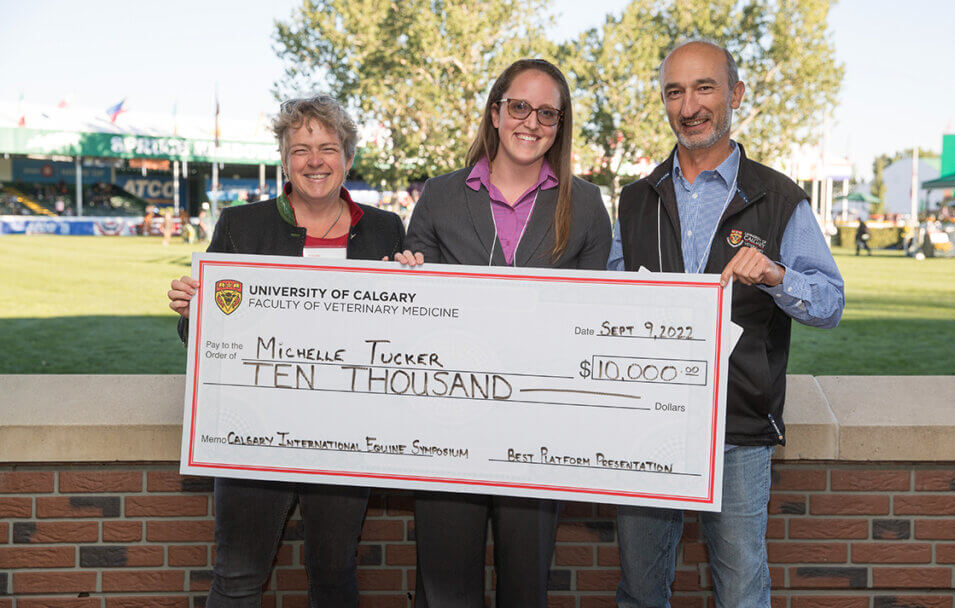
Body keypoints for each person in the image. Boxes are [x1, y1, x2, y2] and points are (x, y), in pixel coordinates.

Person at [608, 41, 844, 608]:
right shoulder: (635, 199)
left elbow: (830, 303)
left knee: (740, 592)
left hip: (737, 429)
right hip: (649, 425)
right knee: (640, 592)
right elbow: (608, 300)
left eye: (704, 87)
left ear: (735, 94)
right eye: (675, 91)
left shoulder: (779, 196)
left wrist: (775, 275)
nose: (689, 105)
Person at [166, 95, 405, 607]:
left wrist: (416, 285)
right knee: (237, 577)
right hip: (252, 433)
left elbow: (404, 336)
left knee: (335, 575)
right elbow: (208, 344)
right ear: (284, 159)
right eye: (300, 149)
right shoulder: (240, 225)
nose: (314, 160)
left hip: (346, 434)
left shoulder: (385, 230)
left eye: (327, 147)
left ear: (348, 157)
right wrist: (193, 315)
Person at [394, 58, 612, 607]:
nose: (531, 122)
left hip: (538, 429)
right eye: (519, 107)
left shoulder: (584, 205)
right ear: (495, 112)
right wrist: (407, 283)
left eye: (547, 113)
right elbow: (412, 316)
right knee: (445, 591)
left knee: (525, 587)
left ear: (559, 125)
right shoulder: (441, 195)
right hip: (447, 424)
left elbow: (594, 320)